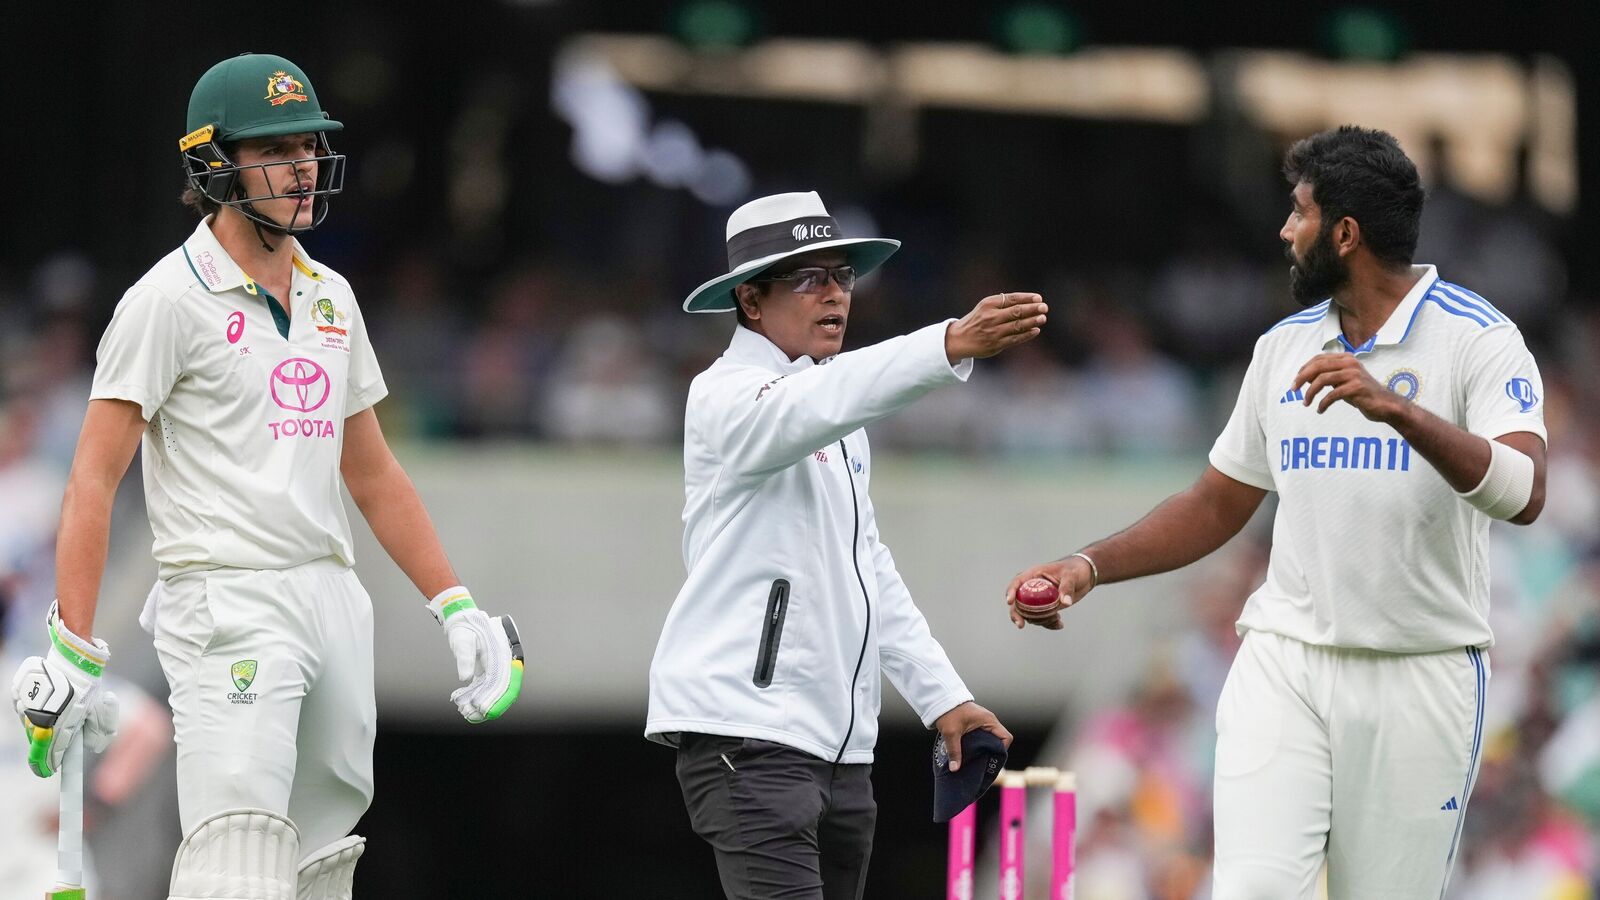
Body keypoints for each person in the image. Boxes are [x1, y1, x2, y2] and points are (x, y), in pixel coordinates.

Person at [8, 53, 524, 900]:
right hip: (227, 599)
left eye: (310, 147)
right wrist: (73, 641)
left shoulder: (333, 298)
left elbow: (374, 473)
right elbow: (93, 479)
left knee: (322, 859)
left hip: (330, 596)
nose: (304, 167)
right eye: (276, 149)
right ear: (215, 164)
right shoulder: (165, 300)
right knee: (237, 854)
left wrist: (454, 604)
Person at [1005, 125, 1548, 899]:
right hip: (1284, 664)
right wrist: (1088, 566)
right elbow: (1216, 502)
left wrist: (1397, 411)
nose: (1285, 231)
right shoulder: (1282, 350)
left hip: (1421, 675)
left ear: (1345, 233)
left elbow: (1525, 491)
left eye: (1299, 213)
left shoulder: (1479, 340)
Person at [647, 190, 1041, 900]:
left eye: (843, 276)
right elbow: (812, 406)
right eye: (808, 278)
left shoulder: (837, 414)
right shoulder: (722, 394)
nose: (835, 294)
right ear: (751, 302)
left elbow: (870, 571)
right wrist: (946, 342)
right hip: (749, 740)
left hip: (839, 755)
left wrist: (945, 700)